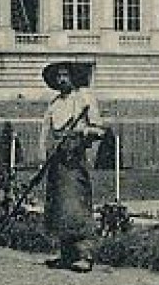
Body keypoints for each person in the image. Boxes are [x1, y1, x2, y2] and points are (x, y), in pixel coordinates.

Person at [37, 64, 107, 272]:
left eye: (65, 75)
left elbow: (99, 129)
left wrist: (83, 133)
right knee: (58, 206)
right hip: (56, 162)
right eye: (58, 76)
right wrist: (43, 157)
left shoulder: (84, 99)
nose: (61, 80)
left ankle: (85, 254)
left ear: (73, 77)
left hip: (75, 159)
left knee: (77, 205)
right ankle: (65, 254)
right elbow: (44, 133)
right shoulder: (54, 105)